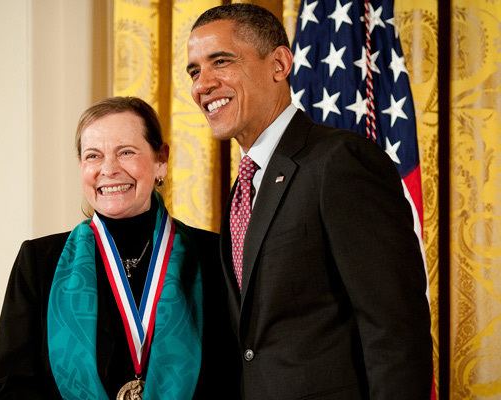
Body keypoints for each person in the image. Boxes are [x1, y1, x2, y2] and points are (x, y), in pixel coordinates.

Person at [186, 4, 433, 399]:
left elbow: (396, 332)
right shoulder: (245, 185)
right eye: (195, 71)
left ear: (279, 64)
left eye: (221, 61)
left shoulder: (340, 162)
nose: (203, 84)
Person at [0, 96, 238, 399]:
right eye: (93, 156)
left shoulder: (214, 255)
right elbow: (9, 387)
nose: (109, 169)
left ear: (161, 160)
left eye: (126, 152)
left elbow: (235, 379)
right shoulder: (39, 262)